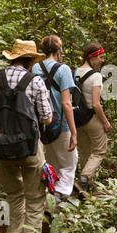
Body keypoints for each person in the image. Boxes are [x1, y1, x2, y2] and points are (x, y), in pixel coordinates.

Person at [0, 39, 52, 233]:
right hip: (30, 148)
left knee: (14, 196)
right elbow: (47, 119)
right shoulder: (35, 81)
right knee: (35, 199)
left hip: (0, 148)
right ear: (30, 59)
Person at [32, 35, 77, 203]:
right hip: (61, 125)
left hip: (42, 124)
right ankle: (59, 197)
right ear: (59, 50)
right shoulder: (63, 69)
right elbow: (66, 103)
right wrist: (74, 132)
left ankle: (50, 195)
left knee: (51, 163)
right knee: (69, 163)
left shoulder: (35, 67)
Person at [74, 43, 111, 193]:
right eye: (100, 57)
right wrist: (105, 121)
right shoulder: (95, 75)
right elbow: (96, 104)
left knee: (85, 152)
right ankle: (83, 178)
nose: (102, 61)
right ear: (92, 57)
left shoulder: (75, 72)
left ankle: (87, 186)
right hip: (92, 118)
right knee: (99, 150)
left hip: (78, 118)